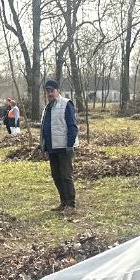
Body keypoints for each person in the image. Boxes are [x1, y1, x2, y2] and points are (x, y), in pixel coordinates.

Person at [41, 79, 78, 212]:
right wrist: (44, 147)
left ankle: (70, 205)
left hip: (63, 147)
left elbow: (72, 126)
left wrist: (70, 145)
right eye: (48, 91)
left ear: (58, 91)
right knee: (56, 176)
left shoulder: (66, 104)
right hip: (52, 148)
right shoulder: (47, 108)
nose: (50, 93)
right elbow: (45, 128)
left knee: (66, 176)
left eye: (52, 91)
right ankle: (63, 202)